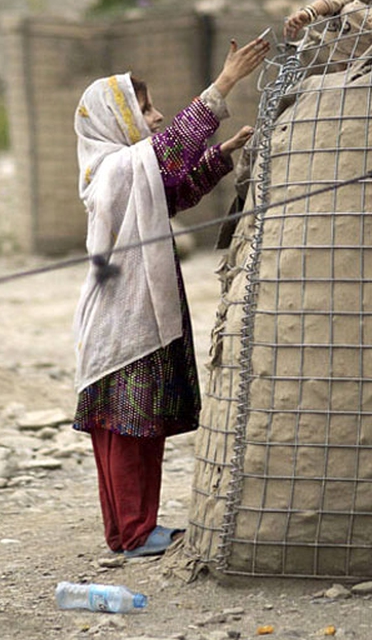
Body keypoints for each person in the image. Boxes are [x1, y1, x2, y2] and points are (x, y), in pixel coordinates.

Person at [72, 34, 270, 558]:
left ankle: (126, 531)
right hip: (123, 319)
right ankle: (136, 532)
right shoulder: (111, 169)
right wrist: (224, 84)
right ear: (113, 120)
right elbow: (165, 155)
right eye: (145, 108)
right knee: (128, 428)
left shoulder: (120, 170)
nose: (156, 116)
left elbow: (171, 192)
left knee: (128, 427)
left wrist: (216, 160)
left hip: (125, 315)